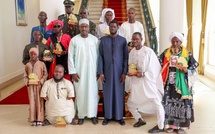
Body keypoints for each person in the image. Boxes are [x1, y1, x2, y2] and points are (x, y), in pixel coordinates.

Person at [159, 32, 199, 134]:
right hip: (169, 82)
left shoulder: (187, 53)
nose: (175, 43)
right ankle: (169, 125)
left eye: (177, 41)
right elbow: (158, 62)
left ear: (181, 42)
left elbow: (194, 66)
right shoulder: (166, 52)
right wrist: (167, 64)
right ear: (171, 41)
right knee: (167, 102)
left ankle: (182, 126)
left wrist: (186, 70)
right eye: (173, 41)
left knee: (183, 104)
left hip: (182, 82)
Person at [127, 32, 164, 133]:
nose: (135, 41)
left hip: (147, 82)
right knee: (131, 104)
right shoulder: (132, 52)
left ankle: (161, 126)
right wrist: (130, 73)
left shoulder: (148, 51)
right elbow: (131, 65)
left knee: (156, 103)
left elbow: (156, 68)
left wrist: (143, 74)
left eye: (137, 39)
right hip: (136, 83)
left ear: (141, 39)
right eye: (133, 39)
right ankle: (140, 120)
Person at [68, 18, 99, 125]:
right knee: (80, 92)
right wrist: (72, 72)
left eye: (86, 26)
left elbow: (99, 56)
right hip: (79, 72)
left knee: (93, 92)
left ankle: (93, 115)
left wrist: (98, 71)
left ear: (89, 28)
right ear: (79, 27)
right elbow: (70, 57)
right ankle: (81, 115)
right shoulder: (74, 40)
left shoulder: (95, 40)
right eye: (82, 26)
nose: (84, 28)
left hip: (92, 71)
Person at [98, 20, 128, 126]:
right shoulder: (103, 40)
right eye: (111, 26)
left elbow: (125, 58)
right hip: (107, 72)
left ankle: (120, 117)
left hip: (120, 73)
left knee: (119, 94)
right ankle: (107, 117)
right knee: (107, 94)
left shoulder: (123, 41)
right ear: (109, 27)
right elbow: (100, 56)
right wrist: (101, 72)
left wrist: (124, 72)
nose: (113, 28)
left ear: (117, 27)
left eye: (114, 26)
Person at [23, 48, 48, 126]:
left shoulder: (41, 64)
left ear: (37, 55)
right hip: (30, 87)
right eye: (31, 54)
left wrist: (41, 81)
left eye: (34, 54)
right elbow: (25, 75)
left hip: (39, 86)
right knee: (32, 102)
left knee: (39, 102)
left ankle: (40, 118)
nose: (33, 56)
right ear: (29, 55)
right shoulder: (27, 65)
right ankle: (33, 119)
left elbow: (45, 74)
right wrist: (27, 82)